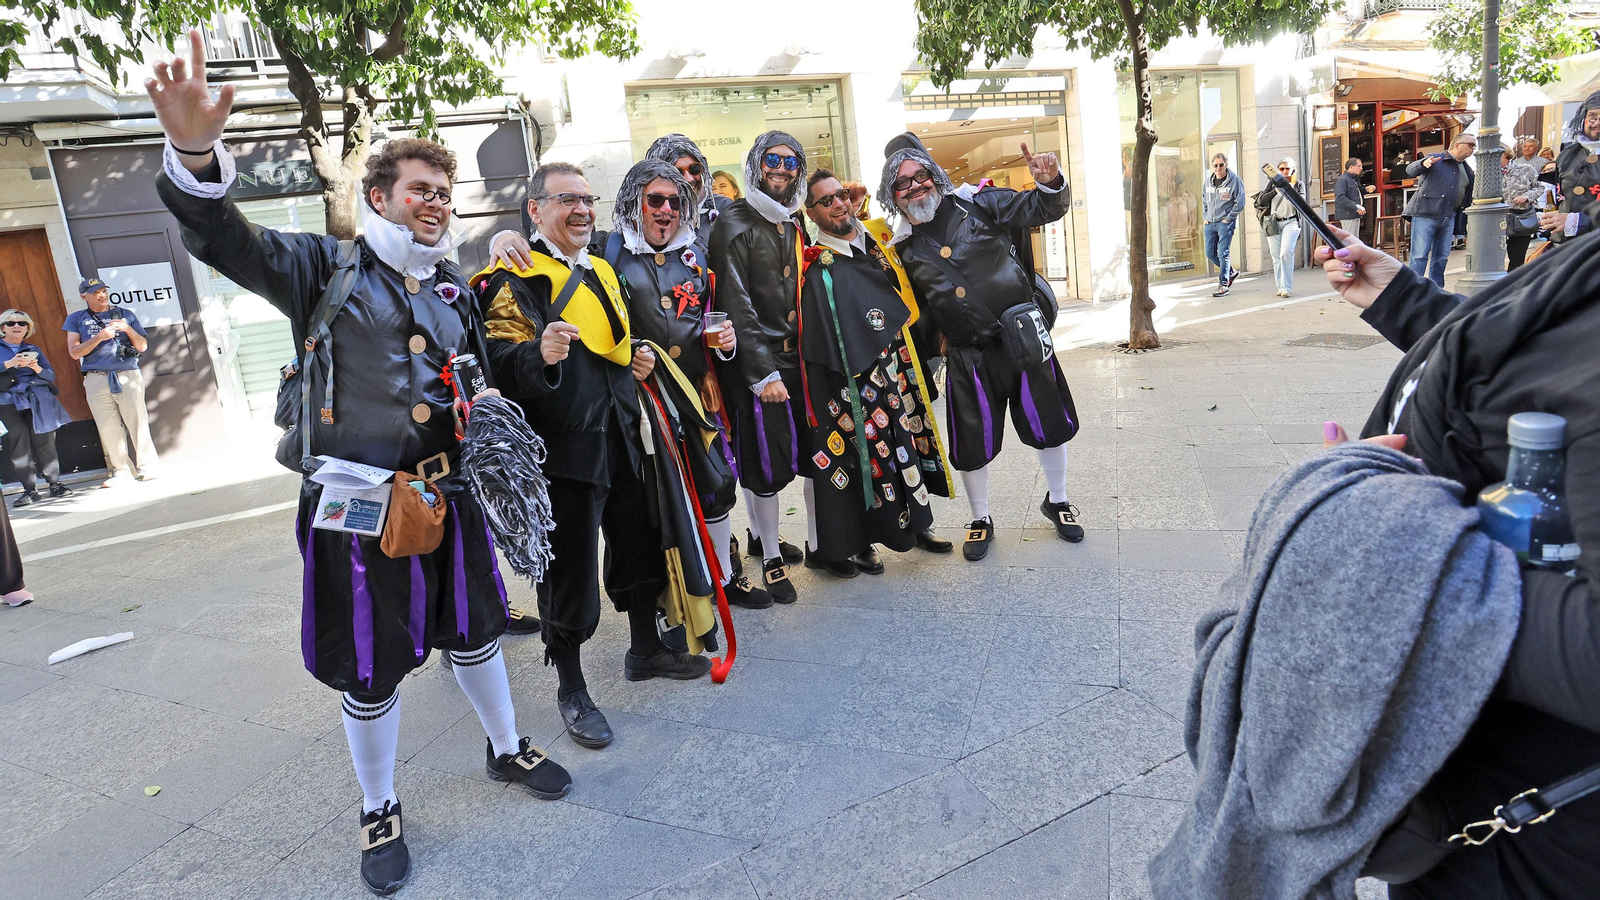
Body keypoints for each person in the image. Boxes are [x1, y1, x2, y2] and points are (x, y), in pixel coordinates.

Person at [147, 31, 572, 895]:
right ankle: (379, 804)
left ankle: (503, 747)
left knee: (481, 631)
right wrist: (195, 151)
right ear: (378, 197)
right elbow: (221, 235)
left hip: (448, 500)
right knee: (368, 666)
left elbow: (474, 383)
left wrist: (491, 407)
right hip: (356, 509)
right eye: (420, 190)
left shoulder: (450, 288)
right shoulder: (320, 266)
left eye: (445, 194)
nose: (437, 204)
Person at [1314, 223, 1600, 898]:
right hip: (1475, 784)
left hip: (1534, 830)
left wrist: (1384, 536)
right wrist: (1404, 302)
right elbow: (1529, 376)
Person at [474, 161, 711, 754]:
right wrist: (541, 355)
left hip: (622, 434)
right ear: (535, 210)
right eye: (565, 200)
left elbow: (614, 341)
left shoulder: (603, 266)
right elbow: (500, 363)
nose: (581, 209)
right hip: (561, 450)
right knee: (570, 567)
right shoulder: (511, 276)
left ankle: (645, 648)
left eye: (587, 198)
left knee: (636, 540)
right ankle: (572, 687)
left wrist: (636, 361)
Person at [876, 132, 1082, 561]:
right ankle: (981, 518)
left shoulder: (982, 203)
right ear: (893, 196)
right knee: (971, 439)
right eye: (902, 183)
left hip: (1022, 339)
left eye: (920, 176)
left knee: (1049, 423)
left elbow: (1042, 207)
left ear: (934, 175)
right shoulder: (903, 249)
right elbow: (920, 313)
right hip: (966, 356)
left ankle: (1058, 501)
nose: (915, 187)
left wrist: (1050, 181)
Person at [586, 158, 773, 609]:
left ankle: (726, 579)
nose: (666, 209)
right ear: (635, 202)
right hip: (642, 401)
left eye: (675, 201)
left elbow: (716, 315)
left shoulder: (697, 254)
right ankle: (673, 593)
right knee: (654, 497)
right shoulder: (603, 250)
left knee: (716, 483)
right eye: (655, 199)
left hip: (696, 393)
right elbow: (545, 233)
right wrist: (505, 236)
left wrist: (724, 347)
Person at [794, 168, 953, 577]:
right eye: (826, 201)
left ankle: (919, 524)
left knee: (906, 443)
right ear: (811, 213)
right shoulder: (815, 264)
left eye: (842, 194)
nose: (838, 204)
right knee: (861, 456)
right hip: (852, 377)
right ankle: (861, 541)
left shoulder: (874, 240)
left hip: (895, 363)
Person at [705, 132, 816, 600]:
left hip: (799, 361)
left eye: (792, 161)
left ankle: (820, 541)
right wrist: (761, 373)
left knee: (811, 456)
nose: (782, 168)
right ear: (756, 164)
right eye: (772, 159)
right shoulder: (733, 224)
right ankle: (770, 554)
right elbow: (736, 302)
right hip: (760, 367)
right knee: (763, 464)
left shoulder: (792, 223)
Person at [63, 277, 158, 486]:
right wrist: (100, 337)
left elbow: (142, 347)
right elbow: (74, 352)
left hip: (127, 374)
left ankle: (148, 466)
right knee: (108, 427)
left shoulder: (125, 314)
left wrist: (127, 329)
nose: (102, 295)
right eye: (96, 292)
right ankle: (122, 471)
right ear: (84, 296)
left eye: (103, 290)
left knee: (137, 421)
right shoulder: (76, 318)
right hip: (96, 378)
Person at [0, 310, 72, 506]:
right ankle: (29, 490)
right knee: (19, 446)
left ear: (27, 328)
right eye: (11, 322)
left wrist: (35, 367)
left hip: (36, 400)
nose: (17, 326)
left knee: (45, 442)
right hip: (7, 403)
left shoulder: (34, 349)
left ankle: (55, 485)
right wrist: (11, 363)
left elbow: (50, 376)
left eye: (22, 323)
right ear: (2, 328)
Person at [1401, 133, 1475, 288]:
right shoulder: (1437, 158)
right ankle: (1412, 291)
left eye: (1474, 146)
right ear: (1457, 144)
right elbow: (1410, 169)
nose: (1472, 149)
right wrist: (1423, 163)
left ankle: (1436, 290)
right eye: (1470, 145)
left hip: (1449, 216)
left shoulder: (1466, 168)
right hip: (1425, 214)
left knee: (1441, 257)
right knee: (1419, 256)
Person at [1539, 91, 1600, 244]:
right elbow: (1556, 197)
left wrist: (1578, 221)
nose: (1597, 122)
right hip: (1565, 246)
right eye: (1592, 116)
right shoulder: (1567, 155)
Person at [645, 133, 731, 226]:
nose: (689, 179)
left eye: (694, 169)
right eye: (678, 173)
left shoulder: (724, 208)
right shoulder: (649, 218)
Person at [1201, 153, 1245, 297]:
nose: (1218, 168)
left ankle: (1223, 285)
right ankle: (1231, 272)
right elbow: (1204, 201)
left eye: (1221, 165)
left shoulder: (1235, 181)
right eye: (1216, 165)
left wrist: (1228, 218)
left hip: (1225, 224)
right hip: (1210, 224)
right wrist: (1205, 216)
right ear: (1212, 167)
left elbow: (1240, 202)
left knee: (1222, 253)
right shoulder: (1208, 182)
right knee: (1209, 253)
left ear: (1226, 165)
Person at [1503, 137, 1546, 270]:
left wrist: (1526, 196)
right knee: (1494, 257)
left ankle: (1513, 284)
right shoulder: (1488, 173)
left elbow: (1539, 187)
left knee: (1517, 258)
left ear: (1505, 155)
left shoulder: (1525, 169)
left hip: (1521, 217)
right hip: (1498, 219)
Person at [1263, 158, 1303, 298]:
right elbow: (1261, 200)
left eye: (1288, 168)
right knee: (1276, 256)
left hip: (1291, 222)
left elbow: (1302, 204)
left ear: (1293, 170)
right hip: (1274, 222)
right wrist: (1275, 191)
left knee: (1286, 252)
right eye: (1282, 168)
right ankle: (1281, 286)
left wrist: (1291, 191)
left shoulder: (1298, 185)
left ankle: (1287, 287)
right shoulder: (1272, 183)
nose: (1285, 171)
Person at [1333, 157, 1367, 239]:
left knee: (1354, 239)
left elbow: (1355, 193)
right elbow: (1340, 197)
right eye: (1359, 166)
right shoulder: (1342, 180)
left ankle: (1352, 252)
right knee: (1349, 239)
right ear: (1351, 167)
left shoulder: (1354, 179)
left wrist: (1365, 189)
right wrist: (1356, 206)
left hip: (1355, 213)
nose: (1361, 168)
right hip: (1347, 214)